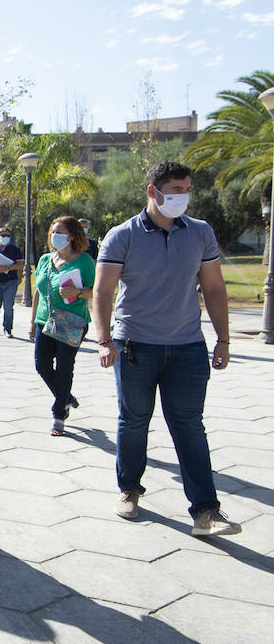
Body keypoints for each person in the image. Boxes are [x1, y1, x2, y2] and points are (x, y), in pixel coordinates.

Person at [94, 160, 240, 537]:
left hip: (188, 346)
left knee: (190, 426)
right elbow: (103, 292)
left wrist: (223, 339)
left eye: (186, 190)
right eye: (174, 191)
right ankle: (129, 490)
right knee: (134, 422)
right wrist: (104, 340)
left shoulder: (200, 232)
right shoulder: (121, 236)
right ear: (152, 192)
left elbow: (213, 288)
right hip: (135, 346)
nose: (182, 198)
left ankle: (206, 511)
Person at [29, 216, 95, 436]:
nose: (55, 236)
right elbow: (37, 291)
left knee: (65, 367)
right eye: (53, 232)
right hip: (44, 320)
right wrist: (31, 322)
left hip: (72, 320)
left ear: (73, 235)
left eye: (61, 232)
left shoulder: (84, 261)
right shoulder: (46, 259)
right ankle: (65, 397)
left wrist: (77, 292)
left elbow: (97, 292)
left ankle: (59, 414)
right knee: (42, 366)